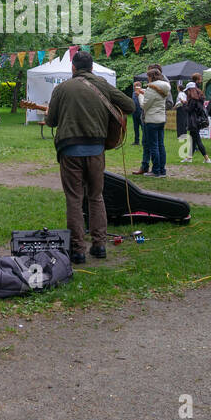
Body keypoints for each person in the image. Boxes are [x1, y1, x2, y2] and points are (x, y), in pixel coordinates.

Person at [44, 51, 134, 263]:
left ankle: (77, 250)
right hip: (96, 150)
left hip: (69, 150)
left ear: (73, 68)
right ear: (92, 68)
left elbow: (51, 121)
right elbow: (129, 105)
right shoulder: (102, 84)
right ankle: (100, 246)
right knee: (96, 196)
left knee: (74, 199)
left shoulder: (62, 88)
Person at [132, 65, 171, 177]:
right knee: (160, 145)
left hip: (151, 120)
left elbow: (144, 106)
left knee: (153, 146)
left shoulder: (151, 88)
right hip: (161, 119)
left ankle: (156, 171)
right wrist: (145, 93)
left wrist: (140, 95)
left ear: (151, 77)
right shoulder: (164, 87)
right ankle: (162, 170)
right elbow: (156, 98)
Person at [181, 82, 211, 164]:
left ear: (190, 90)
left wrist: (184, 104)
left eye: (187, 91)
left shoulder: (193, 100)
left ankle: (207, 158)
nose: (187, 93)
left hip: (193, 122)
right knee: (193, 141)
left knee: (197, 141)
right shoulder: (199, 98)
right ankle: (189, 158)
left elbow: (189, 110)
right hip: (197, 122)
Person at [130, 80, 143, 145]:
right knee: (136, 128)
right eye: (134, 86)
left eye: (134, 86)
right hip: (134, 113)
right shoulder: (133, 93)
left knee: (143, 128)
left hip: (141, 112)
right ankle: (136, 141)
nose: (134, 88)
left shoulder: (143, 92)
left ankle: (144, 141)